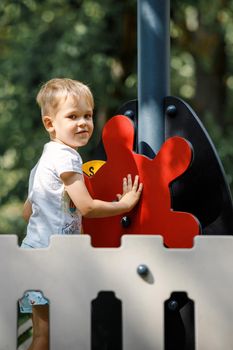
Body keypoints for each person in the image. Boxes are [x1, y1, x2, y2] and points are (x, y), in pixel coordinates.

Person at [19, 78, 143, 350]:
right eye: (72, 116)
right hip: (55, 260)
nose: (83, 123)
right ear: (50, 124)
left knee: (42, 336)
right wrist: (124, 205)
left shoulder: (44, 160)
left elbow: (28, 212)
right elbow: (87, 206)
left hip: (34, 253)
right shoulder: (68, 157)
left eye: (87, 115)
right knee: (56, 336)